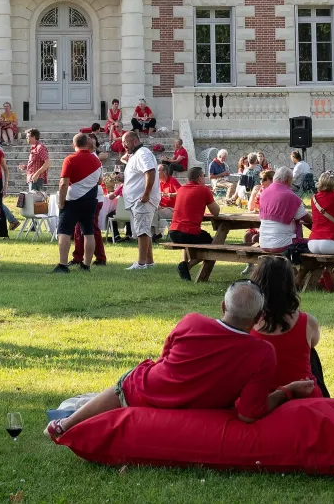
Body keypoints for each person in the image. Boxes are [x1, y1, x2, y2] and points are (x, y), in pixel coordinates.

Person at [45, 283, 314, 439]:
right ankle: (69, 418)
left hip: (151, 390)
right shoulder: (262, 352)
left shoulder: (191, 321)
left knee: (127, 382)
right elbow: (249, 412)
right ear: (257, 320)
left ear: (223, 307)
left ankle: (65, 425)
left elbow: (165, 358)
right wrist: (286, 391)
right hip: (202, 403)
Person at [250, 255, 324, 394]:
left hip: (263, 396)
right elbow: (313, 343)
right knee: (310, 352)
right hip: (303, 394)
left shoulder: (246, 321)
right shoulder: (308, 322)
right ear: (290, 285)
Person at [53, 132, 104, 273]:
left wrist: (61, 201)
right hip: (91, 199)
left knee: (64, 231)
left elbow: (64, 183)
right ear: (87, 144)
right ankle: (86, 264)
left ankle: (63, 264)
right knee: (88, 232)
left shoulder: (70, 159)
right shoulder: (96, 161)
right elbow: (100, 181)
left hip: (73, 200)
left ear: (74, 144)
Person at [168, 166, 220, 280]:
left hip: (173, 232)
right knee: (213, 243)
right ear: (200, 178)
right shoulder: (204, 190)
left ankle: (185, 267)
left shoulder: (181, 189)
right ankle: (187, 265)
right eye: (204, 176)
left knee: (190, 238)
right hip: (188, 232)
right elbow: (216, 211)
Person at [118, 131, 160, 270]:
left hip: (142, 199)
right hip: (136, 199)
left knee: (142, 231)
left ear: (135, 141)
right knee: (143, 230)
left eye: (126, 142)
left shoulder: (143, 153)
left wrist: (146, 193)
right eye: (123, 143)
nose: (124, 146)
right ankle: (149, 261)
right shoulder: (135, 154)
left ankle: (141, 264)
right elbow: (125, 158)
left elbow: (150, 172)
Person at [256, 168, 308, 253]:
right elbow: (306, 218)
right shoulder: (290, 195)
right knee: (312, 245)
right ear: (288, 180)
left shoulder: (264, 193)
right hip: (282, 243)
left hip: (263, 242)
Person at [24, 129, 50, 193]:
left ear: (34, 137)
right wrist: (26, 167)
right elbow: (35, 163)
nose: (27, 138)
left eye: (28, 137)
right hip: (32, 178)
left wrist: (36, 174)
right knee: (32, 199)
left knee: (35, 200)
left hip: (36, 179)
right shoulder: (34, 147)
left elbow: (47, 163)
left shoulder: (40, 147)